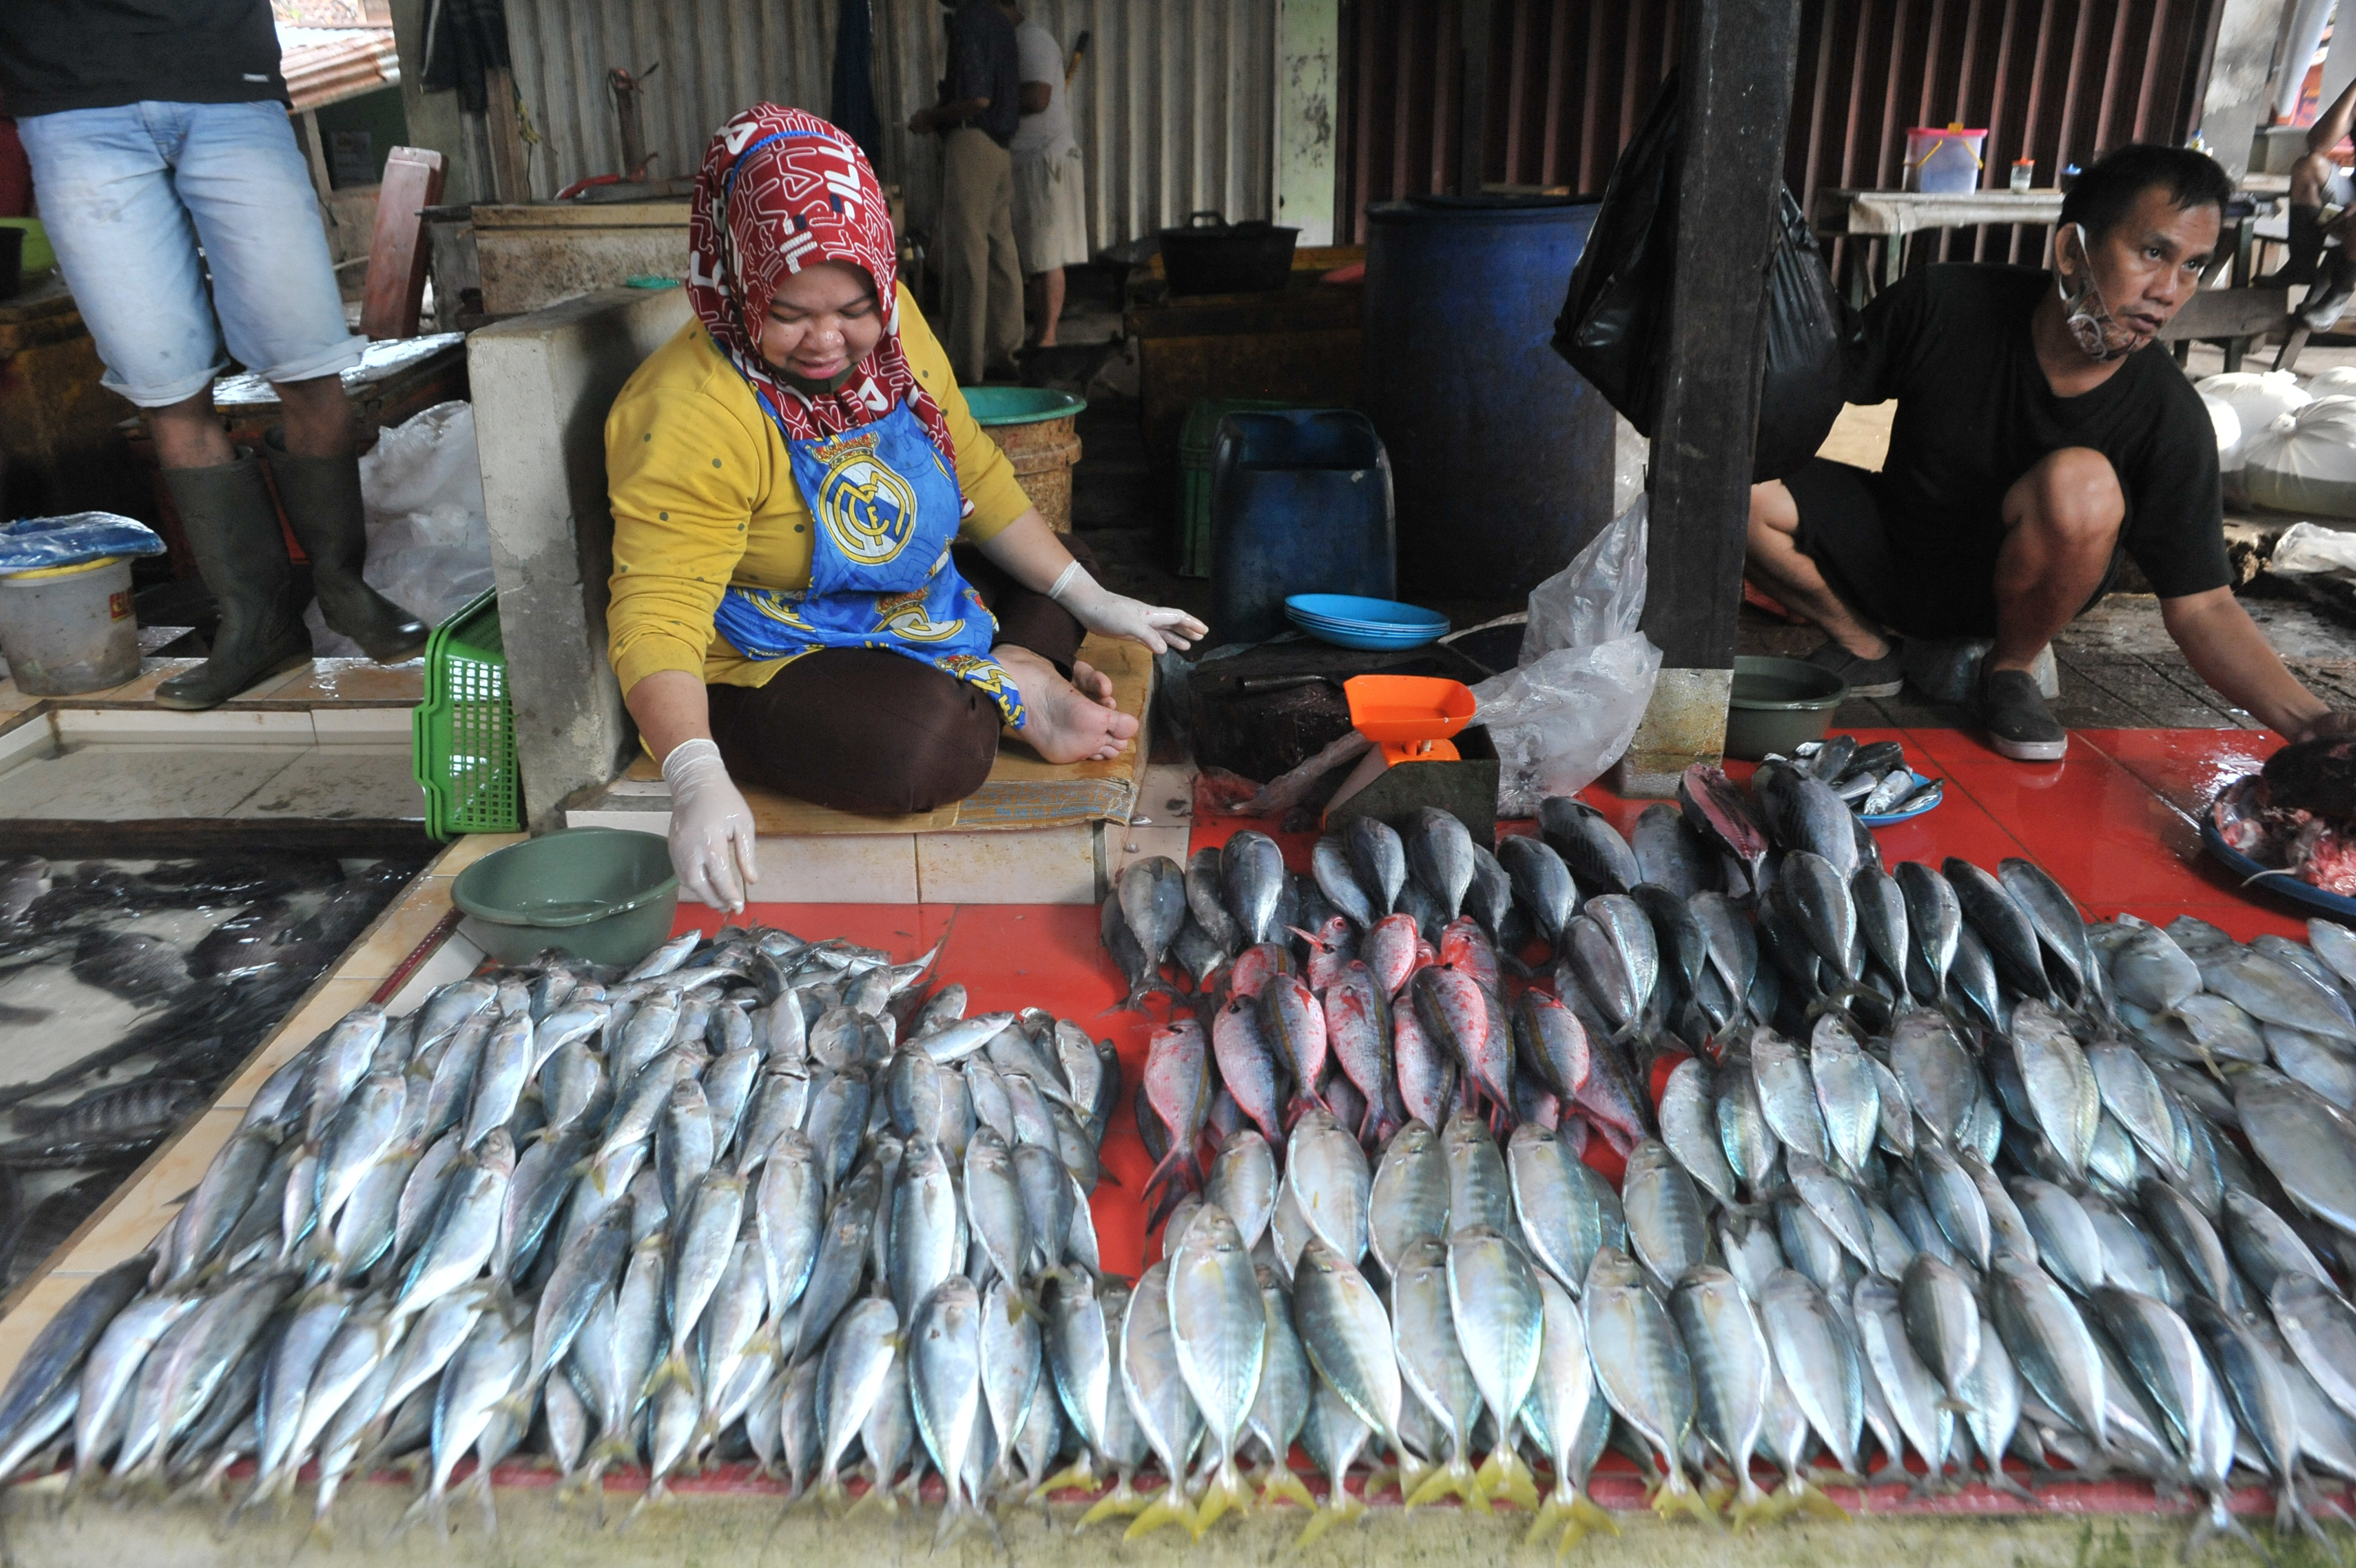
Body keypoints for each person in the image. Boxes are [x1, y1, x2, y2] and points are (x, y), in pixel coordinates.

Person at [606, 106, 1205, 912]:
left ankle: (1009, 672)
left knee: (1072, 564)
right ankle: (1004, 675)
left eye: (854, 308)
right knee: (923, 749)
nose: (828, 340)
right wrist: (693, 773)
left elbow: (976, 476)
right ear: (739, 279)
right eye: (789, 313)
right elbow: (657, 613)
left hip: (903, 599)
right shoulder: (685, 409)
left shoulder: (897, 328)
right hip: (774, 641)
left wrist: (1095, 603)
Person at [1746, 144, 2355, 762]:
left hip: (2013, 603)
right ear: (2071, 250)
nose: (2169, 291)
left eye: (2194, 266)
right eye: (2152, 253)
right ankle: (1866, 649)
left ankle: (2008, 672)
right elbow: (1811, 393)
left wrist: (2311, 723)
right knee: (1729, 481)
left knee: (2083, 483)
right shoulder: (1942, 302)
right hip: (1890, 556)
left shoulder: (2167, 417)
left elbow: (2202, 605)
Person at [0, 0, 427, 709]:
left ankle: (344, 585)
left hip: (225, 79)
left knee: (305, 357)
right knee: (163, 381)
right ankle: (255, 621)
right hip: (68, 101)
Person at [909, 0, 1024, 384]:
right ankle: (1006, 353)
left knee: (967, 253)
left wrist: (931, 117)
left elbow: (977, 98)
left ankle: (965, 367)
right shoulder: (1001, 21)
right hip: (1000, 146)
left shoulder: (970, 19)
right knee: (1000, 252)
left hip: (972, 141)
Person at [1005, 3, 1087, 348]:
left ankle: (1047, 340)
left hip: (1045, 161)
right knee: (1036, 259)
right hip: (1026, 161)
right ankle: (1041, 336)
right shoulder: (1014, 41)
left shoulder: (1033, 40)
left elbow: (1039, 97)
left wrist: (990, 99)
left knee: (1048, 256)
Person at [2262, 75, 2356, 329]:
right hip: (2351, 199)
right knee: (2308, 165)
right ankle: (2301, 265)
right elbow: (2318, 143)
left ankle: (2339, 294)